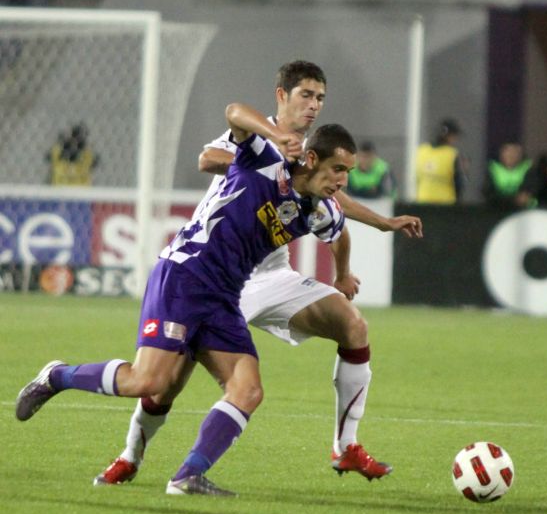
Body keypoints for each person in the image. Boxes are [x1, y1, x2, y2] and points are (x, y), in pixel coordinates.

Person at [90, 60, 419, 487]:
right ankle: (129, 456)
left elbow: (332, 208)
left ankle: (345, 446)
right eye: (306, 95)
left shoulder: (312, 159)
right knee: (163, 384)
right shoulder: (260, 140)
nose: (314, 105)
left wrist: (355, 257)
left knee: (352, 325)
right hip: (215, 272)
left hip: (270, 275)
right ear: (282, 96)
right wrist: (267, 164)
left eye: (320, 98)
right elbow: (207, 157)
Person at [16, 106, 362, 496]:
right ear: (312, 159)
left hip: (224, 295)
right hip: (184, 277)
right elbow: (234, 112)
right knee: (149, 381)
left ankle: (187, 476)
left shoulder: (319, 208)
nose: (342, 181)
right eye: (338, 170)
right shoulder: (266, 158)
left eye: (348, 173)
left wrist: (346, 271)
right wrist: (273, 133)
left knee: (248, 390)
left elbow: (341, 234)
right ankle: (57, 375)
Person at [415, 118, 465, 204]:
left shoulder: (421, 150)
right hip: (444, 206)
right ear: (448, 136)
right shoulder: (452, 154)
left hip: (422, 203)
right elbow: (458, 183)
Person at [484, 142, 535, 210]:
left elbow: (532, 189)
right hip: (497, 210)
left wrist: (526, 196)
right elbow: (488, 193)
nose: (512, 155)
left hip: (524, 211)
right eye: (508, 152)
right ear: (501, 154)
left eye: (515, 152)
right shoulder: (493, 169)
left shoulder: (527, 168)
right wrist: (513, 200)